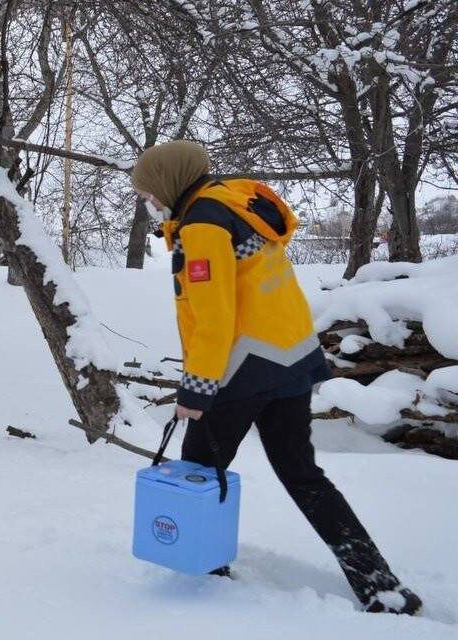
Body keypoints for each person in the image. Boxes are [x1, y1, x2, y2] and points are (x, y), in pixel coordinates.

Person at [131, 140, 421, 615]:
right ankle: (380, 586)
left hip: (241, 369)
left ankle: (201, 569)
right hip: (291, 360)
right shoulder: (236, 202)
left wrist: (197, 388)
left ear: (168, 180)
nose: (149, 201)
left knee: (199, 470)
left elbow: (215, 315)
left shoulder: (203, 223)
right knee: (303, 474)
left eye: (147, 192)